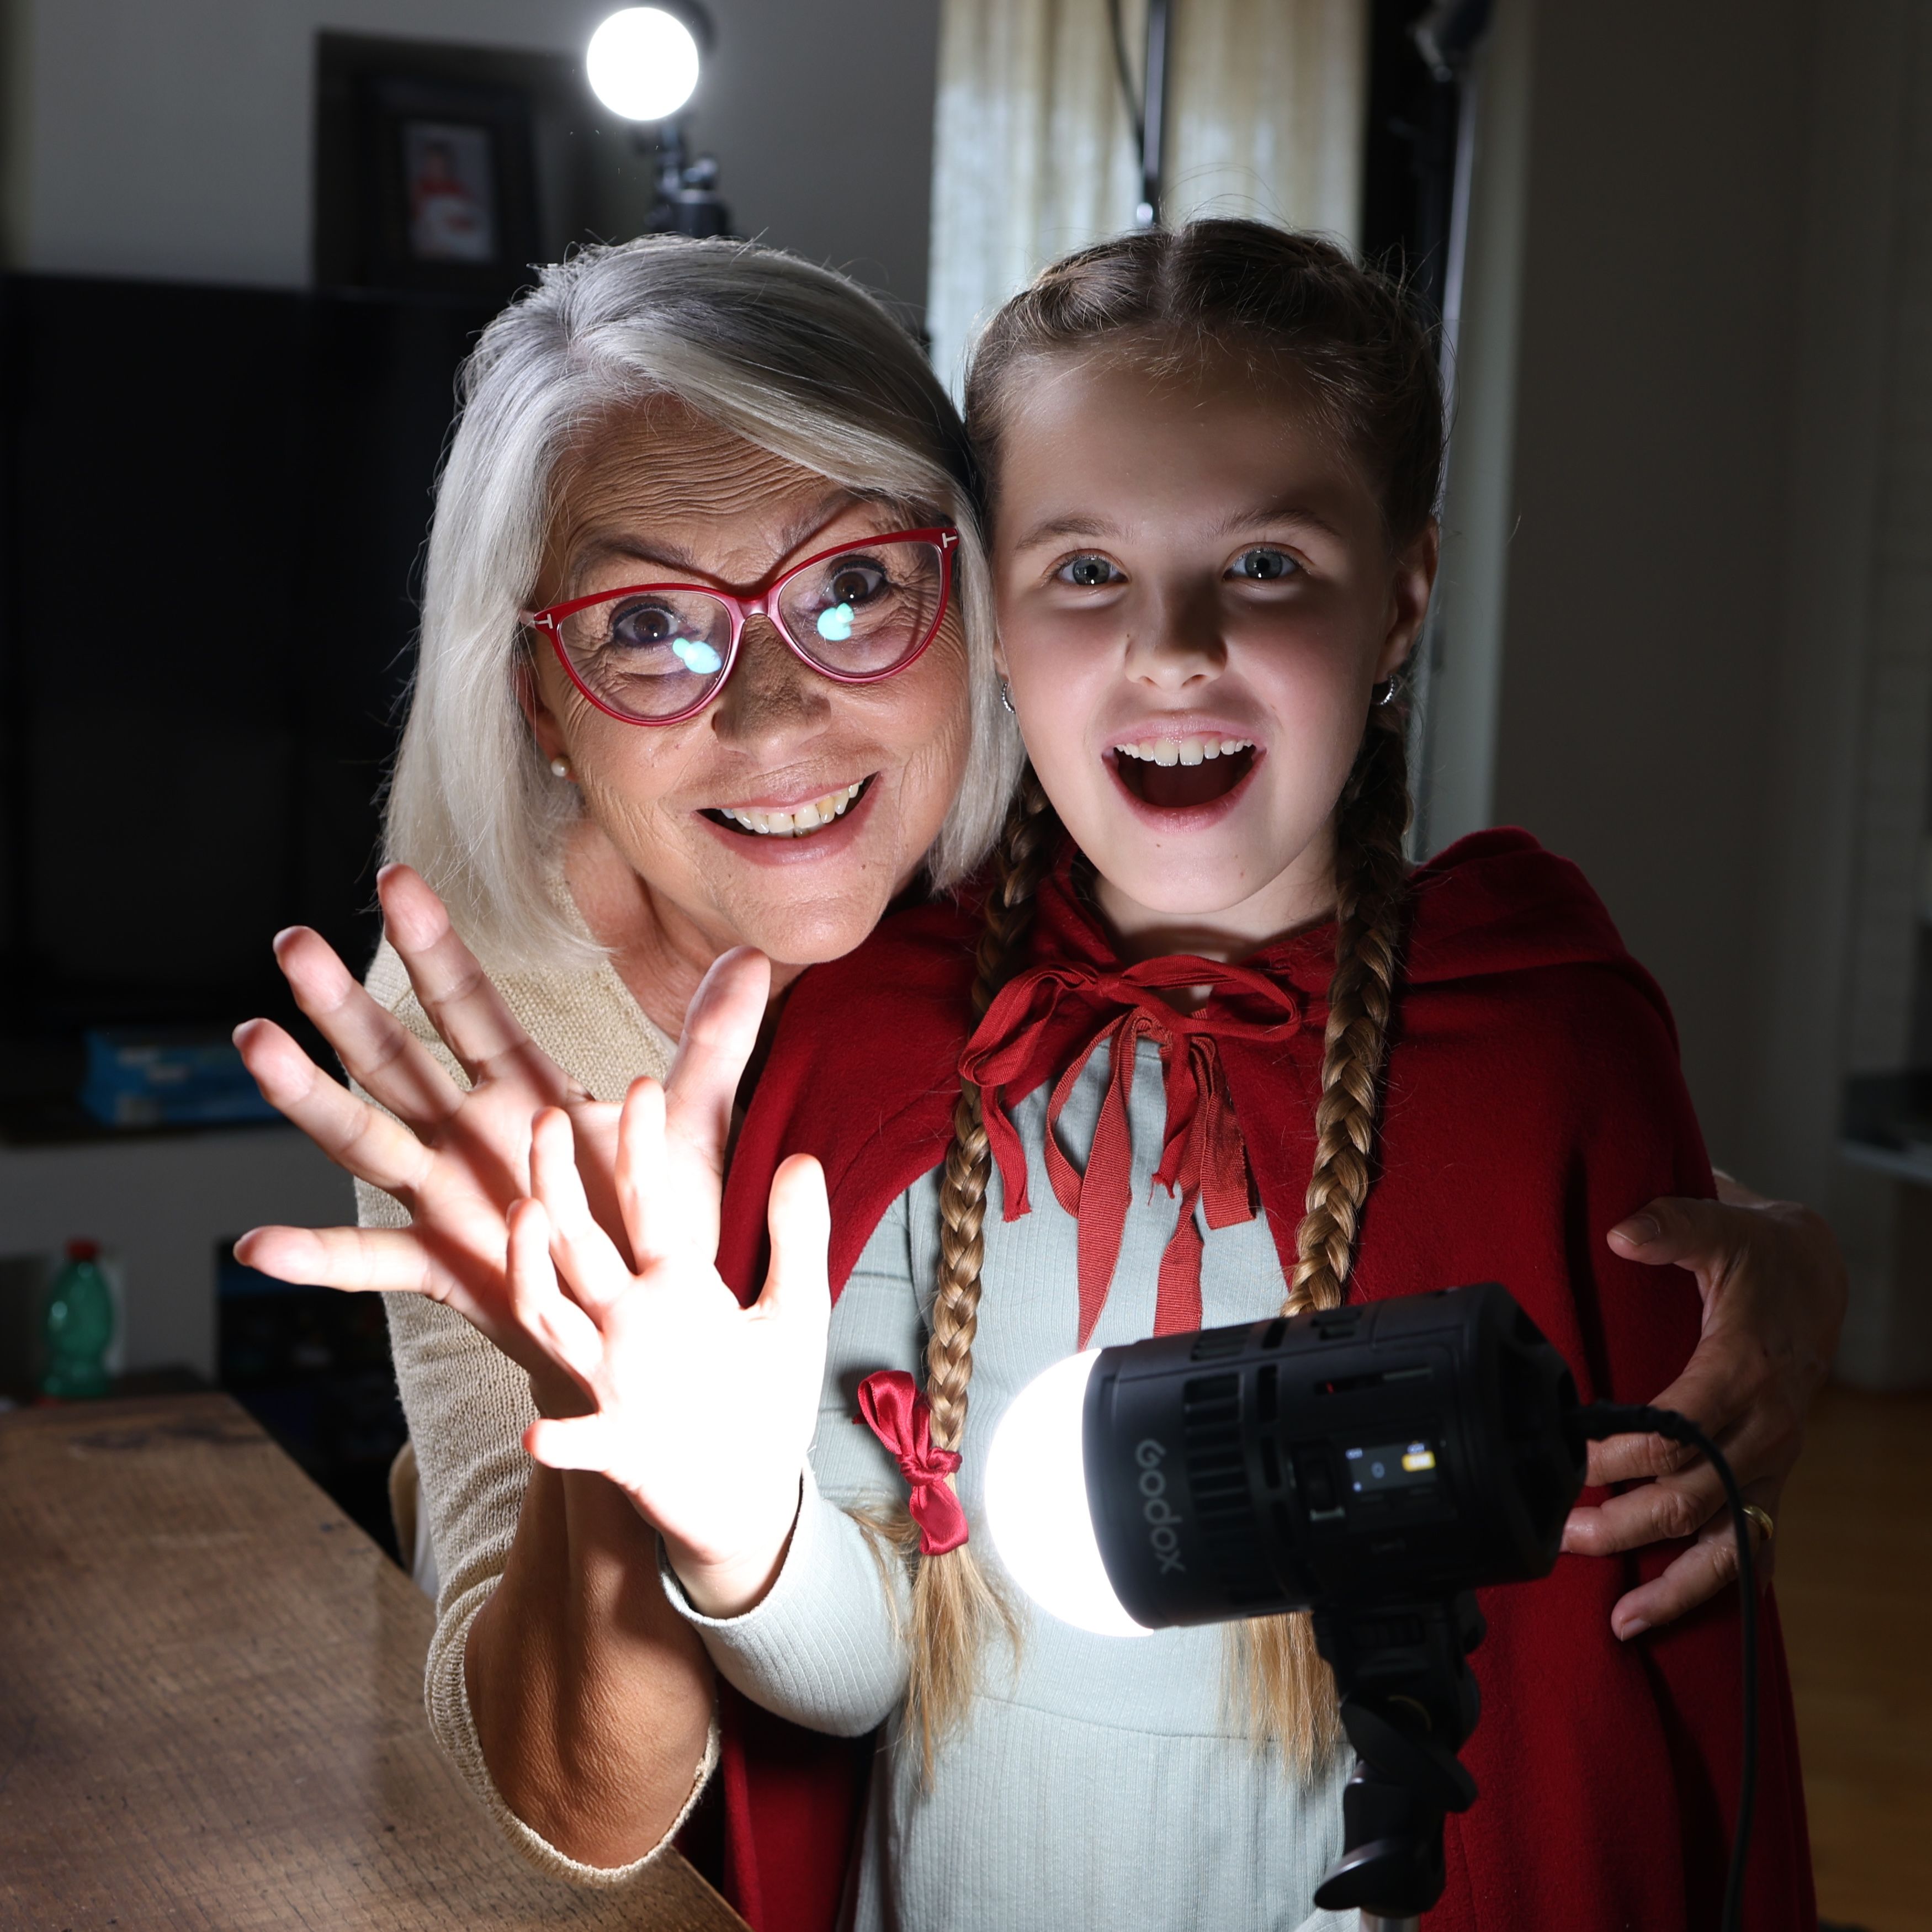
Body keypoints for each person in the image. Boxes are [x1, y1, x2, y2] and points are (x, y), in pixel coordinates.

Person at [234, 232, 1840, 1926]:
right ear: (541, 700)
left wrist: (1782, 1260)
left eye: (855, 585)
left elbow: (1485, 1161)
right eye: (647, 625)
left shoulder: (1123, 844)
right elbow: (628, 1757)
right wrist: (668, 1466)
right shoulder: (593, 1034)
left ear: (957, 598)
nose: (774, 713)